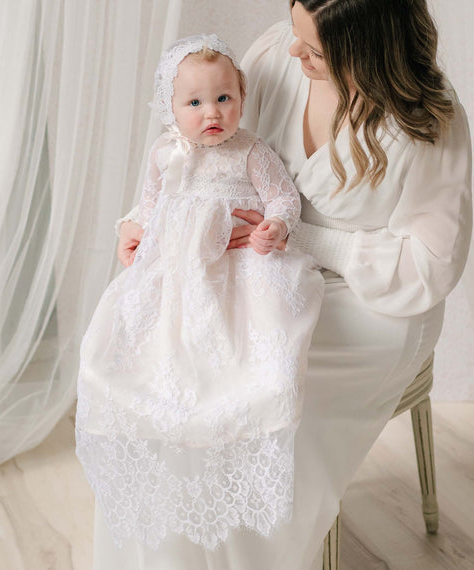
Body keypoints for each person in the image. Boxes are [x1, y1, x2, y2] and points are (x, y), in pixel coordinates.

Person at [99, 0, 472, 568]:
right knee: (167, 371)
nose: (293, 50)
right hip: (255, 277)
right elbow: (204, 155)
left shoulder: (427, 121)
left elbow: (431, 264)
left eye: (316, 49)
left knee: (252, 394)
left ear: (369, 50)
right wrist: (139, 222)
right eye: (296, 30)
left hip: (370, 300)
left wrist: (305, 241)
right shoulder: (278, 53)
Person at [75, 33, 325, 557]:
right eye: (194, 102)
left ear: (241, 98)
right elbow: (149, 203)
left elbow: (282, 195)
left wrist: (276, 225)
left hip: (236, 271)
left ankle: (233, 434)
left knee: (246, 356)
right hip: (174, 273)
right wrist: (131, 228)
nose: (211, 111)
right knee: (131, 348)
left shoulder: (250, 151)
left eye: (223, 98)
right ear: (171, 108)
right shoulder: (166, 152)